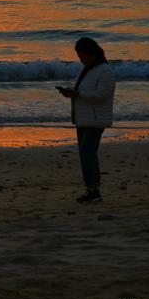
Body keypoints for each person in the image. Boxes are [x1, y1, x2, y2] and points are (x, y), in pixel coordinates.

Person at [56, 37, 115, 203]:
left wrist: (78, 94)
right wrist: (72, 93)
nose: (81, 60)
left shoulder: (105, 71)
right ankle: (93, 190)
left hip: (95, 120)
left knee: (87, 154)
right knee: (87, 154)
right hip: (83, 118)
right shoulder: (88, 70)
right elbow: (86, 92)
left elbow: (103, 96)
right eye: (79, 56)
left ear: (92, 53)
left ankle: (93, 191)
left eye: (83, 56)